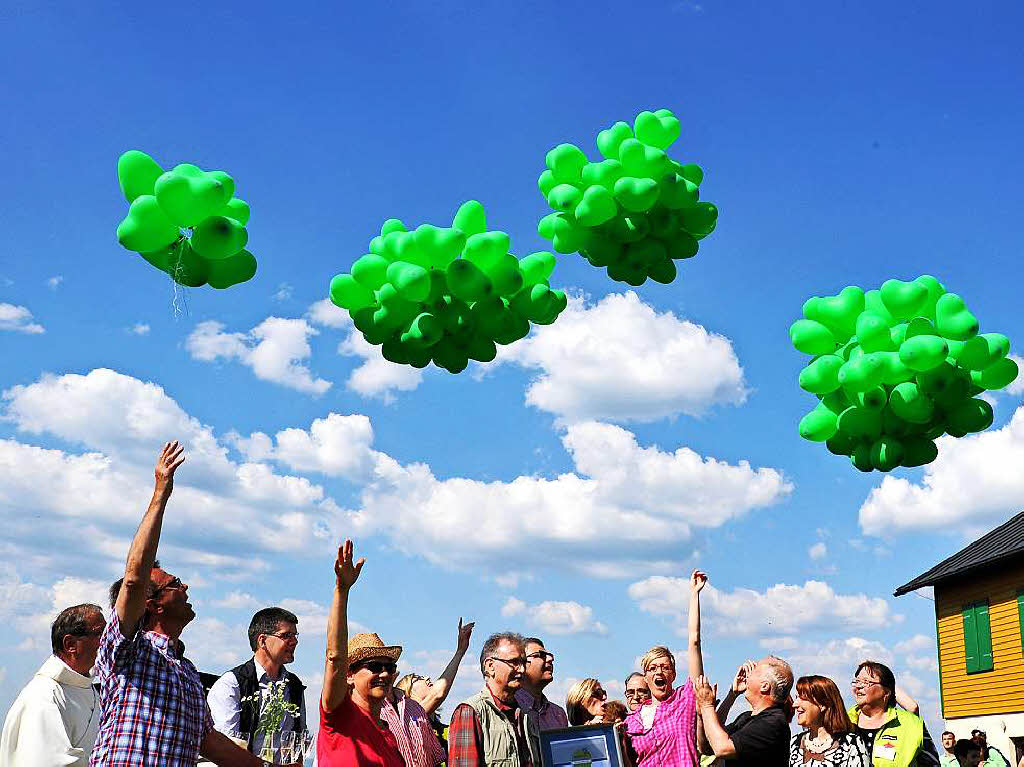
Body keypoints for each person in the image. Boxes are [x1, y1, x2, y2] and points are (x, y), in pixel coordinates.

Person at [91, 441, 282, 767]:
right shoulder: (127, 653)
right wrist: (161, 494)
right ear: (153, 605)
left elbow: (209, 742)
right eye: (175, 584)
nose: (186, 586)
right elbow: (135, 578)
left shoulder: (188, 673)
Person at [318, 538, 404, 766]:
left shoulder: (388, 734)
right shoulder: (339, 714)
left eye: (390, 667)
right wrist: (342, 591)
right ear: (349, 675)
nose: (385, 674)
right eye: (375, 666)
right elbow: (334, 657)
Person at [0, 604, 106, 766]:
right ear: (71, 644)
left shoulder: (95, 693)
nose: (108, 641)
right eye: (100, 634)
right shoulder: (43, 697)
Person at [625, 569, 708, 767]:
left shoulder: (686, 699)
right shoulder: (631, 722)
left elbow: (694, 641)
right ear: (646, 677)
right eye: (652, 668)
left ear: (673, 674)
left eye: (664, 667)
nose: (659, 672)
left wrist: (694, 593)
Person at [208, 607, 306, 759]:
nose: (295, 641)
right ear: (262, 641)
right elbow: (227, 747)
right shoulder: (231, 684)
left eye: (295, 635)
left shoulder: (294, 685)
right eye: (286, 635)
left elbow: (299, 739)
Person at [383, 618, 473, 767]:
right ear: (408, 692)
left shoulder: (428, 721)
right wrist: (460, 651)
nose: (426, 678)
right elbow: (438, 693)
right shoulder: (412, 713)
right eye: (417, 678)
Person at [448, 631, 541, 767]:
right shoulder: (471, 711)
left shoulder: (525, 713)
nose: (521, 669)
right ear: (490, 666)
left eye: (523, 662)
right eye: (514, 662)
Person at [696, 656, 794, 766]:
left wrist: (707, 706)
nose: (747, 674)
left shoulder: (773, 723)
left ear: (765, 686)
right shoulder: (746, 717)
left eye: (754, 671)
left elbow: (722, 748)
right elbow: (707, 747)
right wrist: (702, 714)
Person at [848, 661, 939, 766]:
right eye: (857, 681)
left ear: (886, 692)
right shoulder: (841, 723)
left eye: (866, 682)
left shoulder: (911, 724)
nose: (859, 686)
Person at [788, 675, 870, 766]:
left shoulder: (851, 744)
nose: (795, 704)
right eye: (796, 698)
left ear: (823, 704)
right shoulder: (795, 743)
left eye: (803, 698)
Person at [515, 637, 569, 730]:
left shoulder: (558, 714)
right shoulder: (508, 708)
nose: (550, 659)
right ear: (520, 664)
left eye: (549, 655)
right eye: (539, 655)